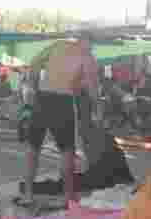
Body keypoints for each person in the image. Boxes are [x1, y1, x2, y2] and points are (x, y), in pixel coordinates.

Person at [20, 38, 100, 207]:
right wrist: (97, 109)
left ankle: (27, 195)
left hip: (42, 98)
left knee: (33, 148)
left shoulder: (58, 45)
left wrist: (33, 87)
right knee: (67, 151)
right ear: (89, 42)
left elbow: (33, 64)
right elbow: (92, 87)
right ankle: (68, 197)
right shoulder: (86, 55)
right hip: (62, 101)